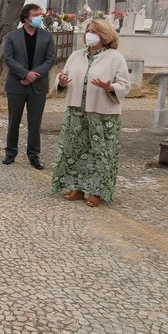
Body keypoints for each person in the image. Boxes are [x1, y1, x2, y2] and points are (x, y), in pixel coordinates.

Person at [50, 18, 131, 208]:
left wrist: (109, 86)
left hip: (103, 115)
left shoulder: (115, 57)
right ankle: (76, 187)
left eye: (94, 31)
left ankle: (97, 191)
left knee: (100, 153)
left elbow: (125, 85)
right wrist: (60, 82)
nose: (89, 34)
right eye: (88, 30)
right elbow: (63, 77)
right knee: (74, 150)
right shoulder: (76, 55)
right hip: (77, 111)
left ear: (104, 35)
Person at [3, 4, 57, 169]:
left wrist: (34, 75)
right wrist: (25, 74)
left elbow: (50, 59)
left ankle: (33, 155)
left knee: (35, 122)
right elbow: (9, 59)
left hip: (38, 85)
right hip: (17, 84)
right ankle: (10, 152)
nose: (39, 17)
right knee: (14, 120)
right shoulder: (12, 36)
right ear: (26, 18)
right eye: (35, 15)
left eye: (39, 14)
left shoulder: (47, 37)